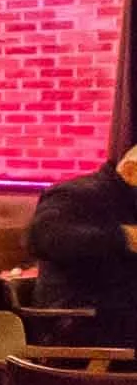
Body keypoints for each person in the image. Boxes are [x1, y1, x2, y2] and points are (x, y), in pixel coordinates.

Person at [27, 145, 137, 342]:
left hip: (114, 316)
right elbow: (41, 237)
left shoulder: (129, 203)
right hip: (77, 322)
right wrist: (123, 237)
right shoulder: (75, 193)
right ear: (131, 171)